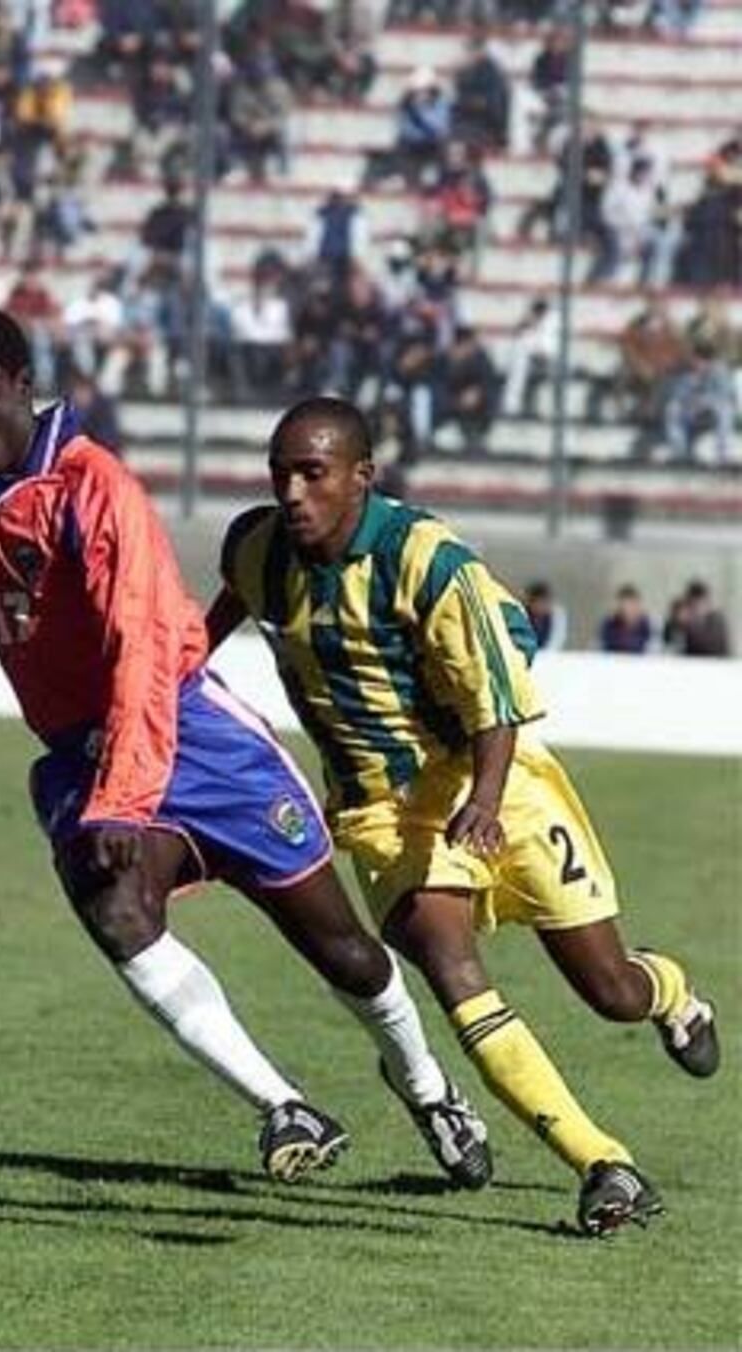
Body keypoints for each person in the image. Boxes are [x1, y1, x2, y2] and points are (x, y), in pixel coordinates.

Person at [0, 308, 490, 1190]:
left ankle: (426, 1088)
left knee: (343, 952)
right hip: (85, 752)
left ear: (25, 387)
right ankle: (283, 1106)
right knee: (115, 909)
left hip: (193, 738)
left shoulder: (96, 491)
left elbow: (140, 652)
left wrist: (122, 800)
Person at [207, 396, 719, 1237]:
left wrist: (481, 801)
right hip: (381, 808)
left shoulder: (429, 564)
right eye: (279, 474)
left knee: (610, 991)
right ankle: (603, 1165)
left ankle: (666, 991)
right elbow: (233, 597)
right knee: (450, 967)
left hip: (498, 783)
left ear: (361, 478)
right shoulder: (254, 547)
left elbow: (496, 699)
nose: (292, 492)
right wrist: (176, 670)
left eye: (312, 473)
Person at [598, 585, 653, 654]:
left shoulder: (647, 624)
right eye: (626, 605)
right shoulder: (609, 623)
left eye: (632, 604)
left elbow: (649, 647)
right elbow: (605, 645)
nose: (629, 609)